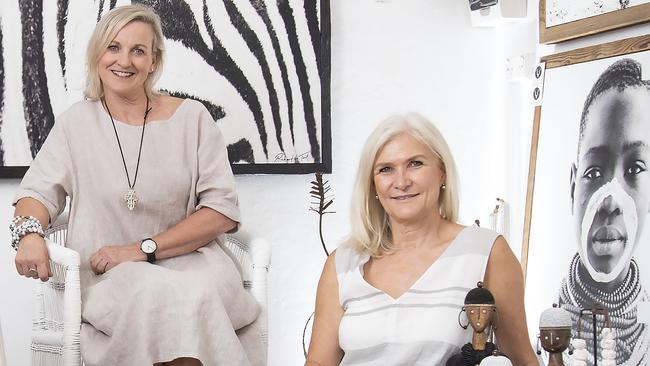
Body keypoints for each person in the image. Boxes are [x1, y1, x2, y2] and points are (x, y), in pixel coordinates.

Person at [11, 5, 263, 366]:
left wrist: (142, 248)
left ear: (153, 60)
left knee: (194, 295)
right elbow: (36, 194)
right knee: (152, 293)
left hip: (194, 263)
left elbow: (221, 211)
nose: (124, 60)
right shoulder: (76, 125)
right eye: (113, 47)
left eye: (138, 50)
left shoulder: (193, 119)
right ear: (97, 53)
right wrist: (30, 235)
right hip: (109, 274)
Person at [305, 114, 537, 365]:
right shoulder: (341, 265)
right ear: (372, 185)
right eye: (386, 169)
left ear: (442, 173)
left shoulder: (487, 252)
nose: (402, 182)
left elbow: (521, 359)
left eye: (415, 164)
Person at [558, 58, 650, 366]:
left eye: (635, 168)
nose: (610, 202)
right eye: (594, 172)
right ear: (573, 187)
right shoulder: (538, 333)